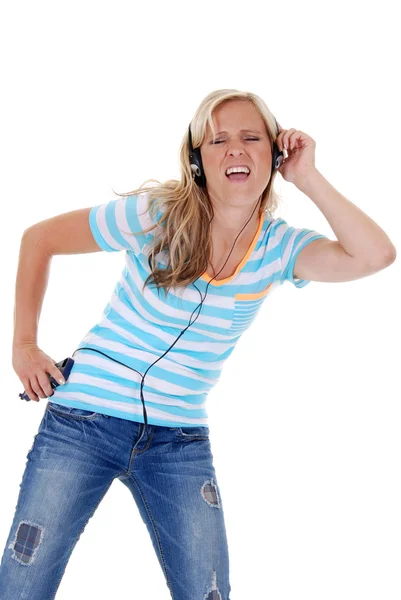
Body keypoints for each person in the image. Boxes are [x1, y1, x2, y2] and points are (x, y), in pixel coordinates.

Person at [0, 89, 396, 600]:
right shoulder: (155, 215)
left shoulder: (279, 248)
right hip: (83, 423)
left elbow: (376, 255)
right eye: (218, 140)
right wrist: (24, 345)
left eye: (252, 138)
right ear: (197, 160)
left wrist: (308, 177)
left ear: (274, 155)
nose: (235, 150)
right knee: (22, 587)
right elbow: (39, 238)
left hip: (177, 441)